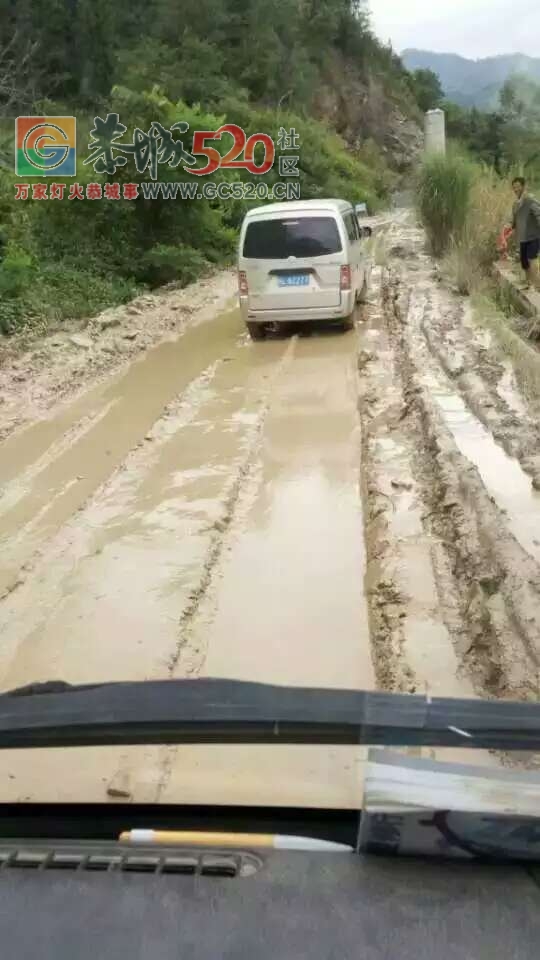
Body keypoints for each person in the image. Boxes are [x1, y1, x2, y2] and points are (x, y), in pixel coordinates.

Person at [511, 177, 540, 291]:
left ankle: (535, 285)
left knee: (531, 259)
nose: (516, 189)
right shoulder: (515, 204)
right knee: (524, 262)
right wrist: (510, 226)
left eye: (518, 186)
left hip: (533, 236)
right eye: (514, 187)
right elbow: (514, 220)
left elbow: (538, 214)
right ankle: (529, 283)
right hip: (522, 237)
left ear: (523, 186)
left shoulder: (530, 200)